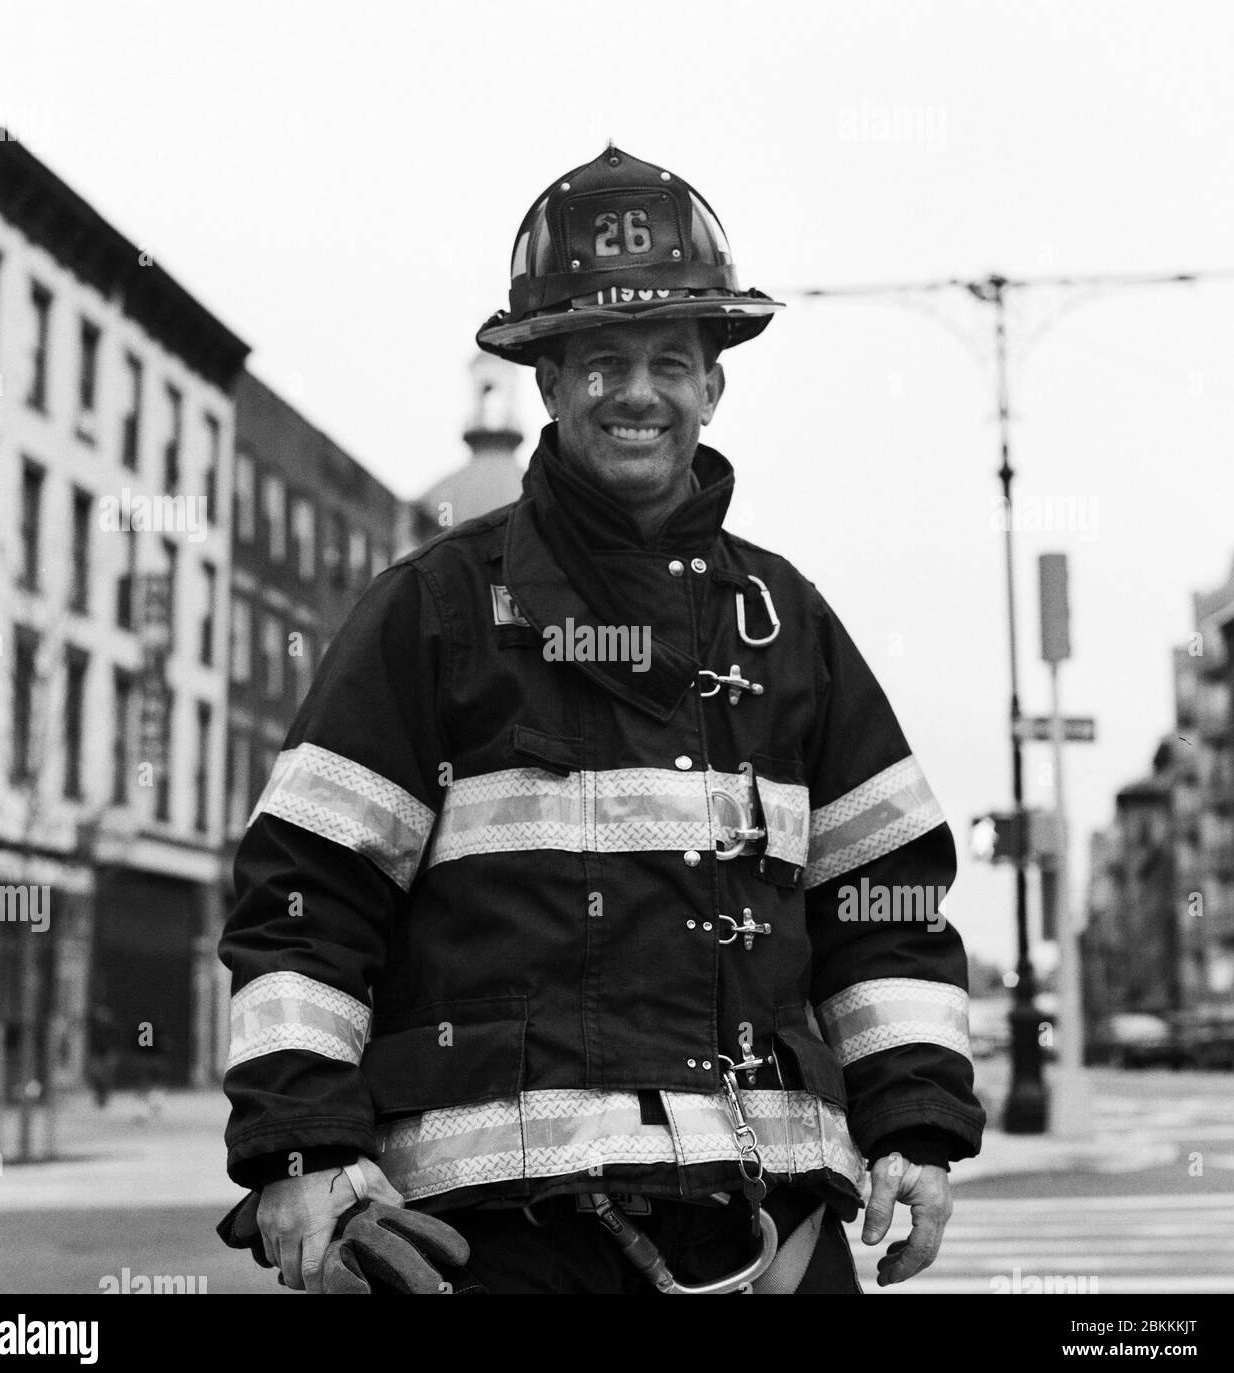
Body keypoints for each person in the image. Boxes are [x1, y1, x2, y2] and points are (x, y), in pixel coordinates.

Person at [218, 145, 985, 1295]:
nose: (639, 392)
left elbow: (885, 902)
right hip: (502, 1244)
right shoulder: (435, 612)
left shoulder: (788, 624)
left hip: (767, 1228)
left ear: (712, 385)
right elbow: (305, 897)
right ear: (549, 382)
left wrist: (915, 1125)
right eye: (603, 360)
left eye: (670, 360)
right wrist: (300, 1150)